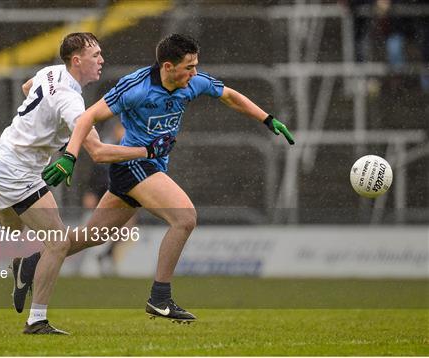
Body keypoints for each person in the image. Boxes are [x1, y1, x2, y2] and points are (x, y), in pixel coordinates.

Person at [15, 33, 295, 325]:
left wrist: (267, 119)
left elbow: (229, 96)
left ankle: (31, 264)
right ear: (168, 66)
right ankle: (160, 298)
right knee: (185, 218)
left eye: (196, 65)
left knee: (91, 237)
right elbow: (87, 118)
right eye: (189, 66)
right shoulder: (136, 87)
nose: (195, 73)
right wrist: (70, 157)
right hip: (134, 164)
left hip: (149, 166)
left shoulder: (192, 82)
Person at [0, 32, 175, 335]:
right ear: (77, 60)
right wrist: (148, 150)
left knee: (10, 224)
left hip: (2, 158)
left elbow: (30, 88)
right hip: (17, 171)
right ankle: (36, 320)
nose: (102, 60)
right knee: (59, 242)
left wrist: (46, 127)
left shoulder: (51, 72)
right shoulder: (71, 101)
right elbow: (99, 152)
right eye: (96, 56)